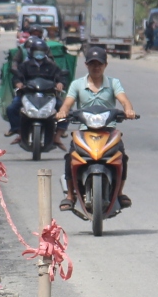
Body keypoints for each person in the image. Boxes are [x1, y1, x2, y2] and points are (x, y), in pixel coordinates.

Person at [55, 45, 137, 211]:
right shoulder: (77, 84)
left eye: (99, 63)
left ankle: (120, 193)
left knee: (122, 157)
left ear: (105, 65)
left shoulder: (114, 83)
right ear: (86, 65)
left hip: (109, 131)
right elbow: (68, 103)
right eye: (92, 64)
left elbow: (124, 100)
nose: (96, 67)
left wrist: (128, 110)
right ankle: (70, 196)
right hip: (85, 131)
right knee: (71, 157)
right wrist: (62, 112)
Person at [8, 38, 67, 142]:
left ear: (45, 52)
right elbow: (17, 77)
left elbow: (60, 76)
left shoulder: (51, 65)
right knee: (11, 108)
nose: (39, 54)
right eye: (36, 51)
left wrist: (60, 83)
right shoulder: (25, 65)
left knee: (65, 110)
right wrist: (18, 83)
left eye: (41, 52)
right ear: (31, 52)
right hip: (27, 94)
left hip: (48, 94)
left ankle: (57, 135)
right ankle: (19, 132)